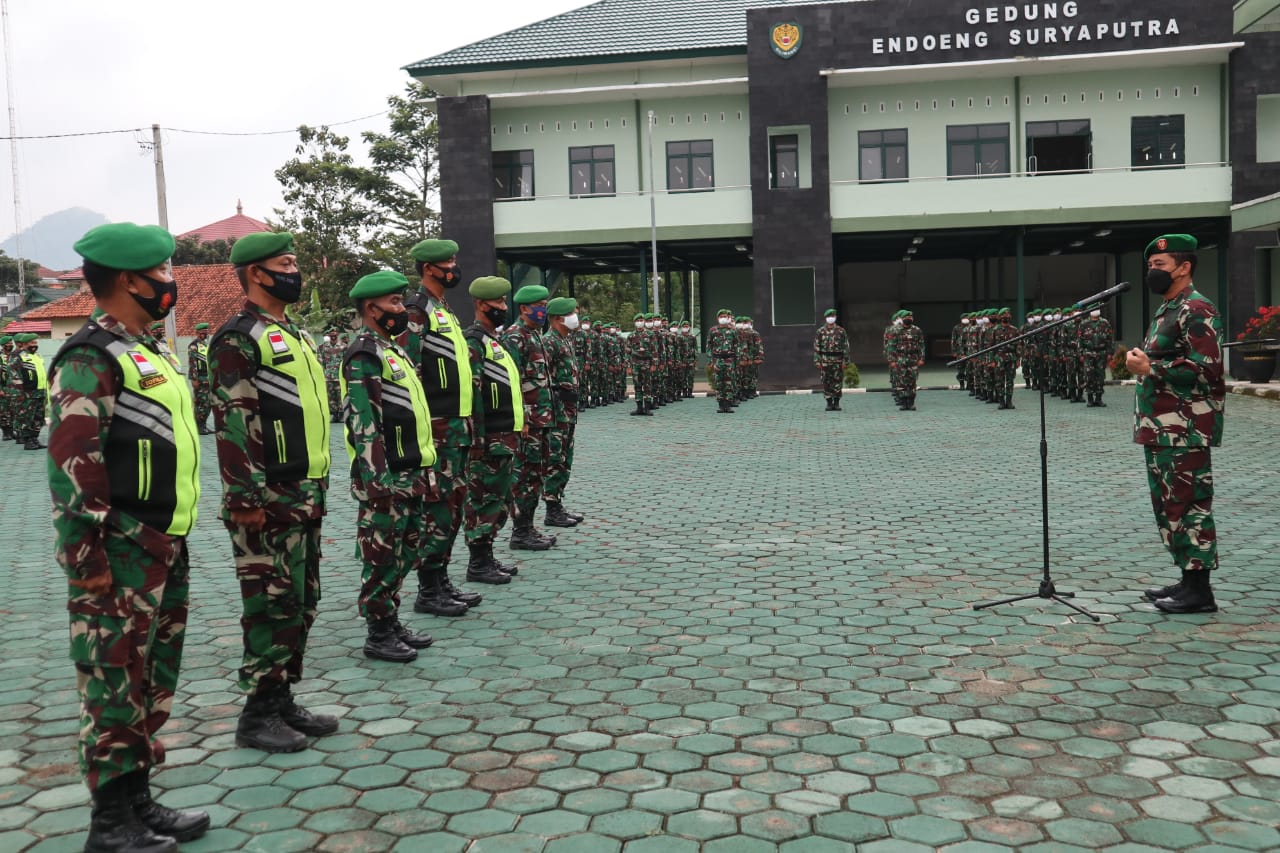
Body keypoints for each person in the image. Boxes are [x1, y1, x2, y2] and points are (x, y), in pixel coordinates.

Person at [49, 222, 209, 851]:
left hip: (162, 542)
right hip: (117, 551)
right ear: (127, 280)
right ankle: (111, 822)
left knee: (149, 678)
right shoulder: (91, 356)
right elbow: (73, 466)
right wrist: (86, 562)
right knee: (113, 684)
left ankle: (138, 799)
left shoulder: (145, 348)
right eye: (163, 274)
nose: (171, 284)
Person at [210, 231, 337, 753]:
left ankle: (282, 697)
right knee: (270, 603)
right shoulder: (238, 337)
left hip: (305, 490)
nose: (295, 271)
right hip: (268, 498)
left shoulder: (296, 334)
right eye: (285, 263)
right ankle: (257, 713)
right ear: (256, 274)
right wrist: (246, 498)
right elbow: (232, 422)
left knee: (302, 601)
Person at [342, 270, 439, 662]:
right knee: (381, 554)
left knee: (404, 551)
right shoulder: (364, 353)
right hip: (386, 477)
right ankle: (378, 631)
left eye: (401, 301)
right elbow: (365, 423)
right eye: (395, 303)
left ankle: (392, 619)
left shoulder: (391, 349)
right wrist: (377, 482)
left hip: (410, 471)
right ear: (372, 308)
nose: (402, 309)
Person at [1126, 234, 1225, 615]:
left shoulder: (1196, 308)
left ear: (1184, 268)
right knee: (1171, 506)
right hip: (1164, 427)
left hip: (1185, 427)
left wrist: (1150, 367)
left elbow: (1208, 369)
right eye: (1150, 266)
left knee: (1191, 506)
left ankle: (1200, 591)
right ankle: (1187, 579)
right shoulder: (1170, 307)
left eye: (1160, 266)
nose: (1153, 272)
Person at [406, 239, 481, 618]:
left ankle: (442, 580)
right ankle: (428, 588)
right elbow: (411, 370)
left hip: (457, 424)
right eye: (446, 262)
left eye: (453, 259)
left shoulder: (441, 309)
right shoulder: (417, 310)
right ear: (428, 269)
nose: (453, 266)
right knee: (437, 508)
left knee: (452, 507)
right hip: (438, 426)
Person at [463, 276, 524, 581]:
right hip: (489, 439)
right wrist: (478, 440)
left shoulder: (493, 340)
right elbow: (473, 394)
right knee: (483, 500)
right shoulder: (474, 341)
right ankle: (477, 563)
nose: (502, 307)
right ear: (480, 304)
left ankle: (487, 555)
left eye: (503, 301)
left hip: (505, 435)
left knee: (498, 500)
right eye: (497, 302)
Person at [502, 285, 559, 550]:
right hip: (528, 422)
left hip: (541, 419)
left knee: (536, 475)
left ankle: (528, 527)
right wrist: (521, 418)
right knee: (524, 476)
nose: (543, 310)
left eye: (545, 305)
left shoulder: (534, 335)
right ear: (524, 308)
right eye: (539, 305)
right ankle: (520, 532)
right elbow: (511, 381)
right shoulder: (515, 337)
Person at [543, 297, 586, 528]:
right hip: (557, 412)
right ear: (560, 317)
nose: (576, 317)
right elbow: (545, 378)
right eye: (573, 313)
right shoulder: (549, 342)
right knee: (555, 460)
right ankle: (551, 509)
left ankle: (558, 504)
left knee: (565, 460)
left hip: (568, 411)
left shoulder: (565, 340)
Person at [15, 333, 48, 449]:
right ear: (24, 344)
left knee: (38, 417)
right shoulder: (19, 358)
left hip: (40, 391)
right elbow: (14, 377)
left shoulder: (38, 356)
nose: (35, 345)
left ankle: (34, 439)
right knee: (28, 417)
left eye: (36, 343)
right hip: (27, 393)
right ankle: (27, 441)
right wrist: (20, 393)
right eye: (32, 343)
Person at [813, 309, 849, 411]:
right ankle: (829, 403)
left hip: (838, 359)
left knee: (837, 381)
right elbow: (816, 347)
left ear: (835, 317)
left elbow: (846, 347)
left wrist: (845, 361)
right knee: (826, 381)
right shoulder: (820, 331)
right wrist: (817, 360)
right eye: (829, 316)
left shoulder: (841, 331)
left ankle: (836, 402)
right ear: (826, 318)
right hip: (825, 360)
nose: (831, 318)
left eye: (833, 316)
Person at [1082, 308, 1113, 406]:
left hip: (1101, 354)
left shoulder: (1105, 323)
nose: (1096, 311)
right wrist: (1081, 353)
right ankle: (1090, 399)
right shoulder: (1084, 324)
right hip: (1088, 353)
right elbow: (1080, 340)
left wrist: (1109, 353)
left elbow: (1109, 339)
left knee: (1100, 376)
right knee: (1089, 376)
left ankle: (1099, 398)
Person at [708, 309, 738, 413]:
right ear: (717, 318)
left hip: (729, 359)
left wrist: (736, 361)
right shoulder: (713, 330)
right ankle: (721, 405)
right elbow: (709, 346)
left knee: (729, 382)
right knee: (719, 382)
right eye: (721, 317)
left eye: (725, 316)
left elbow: (736, 345)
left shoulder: (733, 330)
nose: (723, 318)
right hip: (717, 359)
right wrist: (710, 361)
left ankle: (728, 405)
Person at [187, 322, 213, 434]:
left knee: (207, 403)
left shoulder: (205, 345)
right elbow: (192, 363)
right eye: (202, 332)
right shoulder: (194, 346)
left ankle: (203, 425)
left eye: (206, 332)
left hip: (207, 378)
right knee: (201, 403)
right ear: (197, 333)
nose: (204, 334)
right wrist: (194, 379)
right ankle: (199, 426)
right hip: (200, 378)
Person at [897, 309, 925, 410]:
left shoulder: (917, 330)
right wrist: (892, 360)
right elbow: (892, 346)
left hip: (913, 359)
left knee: (912, 381)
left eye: (910, 317)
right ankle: (904, 403)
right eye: (906, 318)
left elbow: (921, 345)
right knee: (902, 381)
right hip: (901, 359)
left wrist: (921, 358)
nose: (908, 319)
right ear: (902, 319)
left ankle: (911, 402)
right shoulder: (897, 331)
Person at [627, 312, 654, 416]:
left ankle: (647, 408)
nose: (640, 322)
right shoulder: (631, 336)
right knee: (637, 386)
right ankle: (639, 408)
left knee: (647, 385)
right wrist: (628, 366)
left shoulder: (650, 335)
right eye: (638, 321)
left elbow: (654, 350)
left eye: (641, 320)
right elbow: (627, 352)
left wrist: (654, 364)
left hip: (646, 362)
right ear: (634, 323)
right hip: (635, 363)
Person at [0, 334, 13, 441]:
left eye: (10, 343)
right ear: (3, 345)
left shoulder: (14, 355)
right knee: (4, 411)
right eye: (7, 343)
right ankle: (6, 432)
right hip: (3, 387)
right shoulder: (0, 357)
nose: (10, 345)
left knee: (13, 410)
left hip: (14, 388)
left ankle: (12, 431)